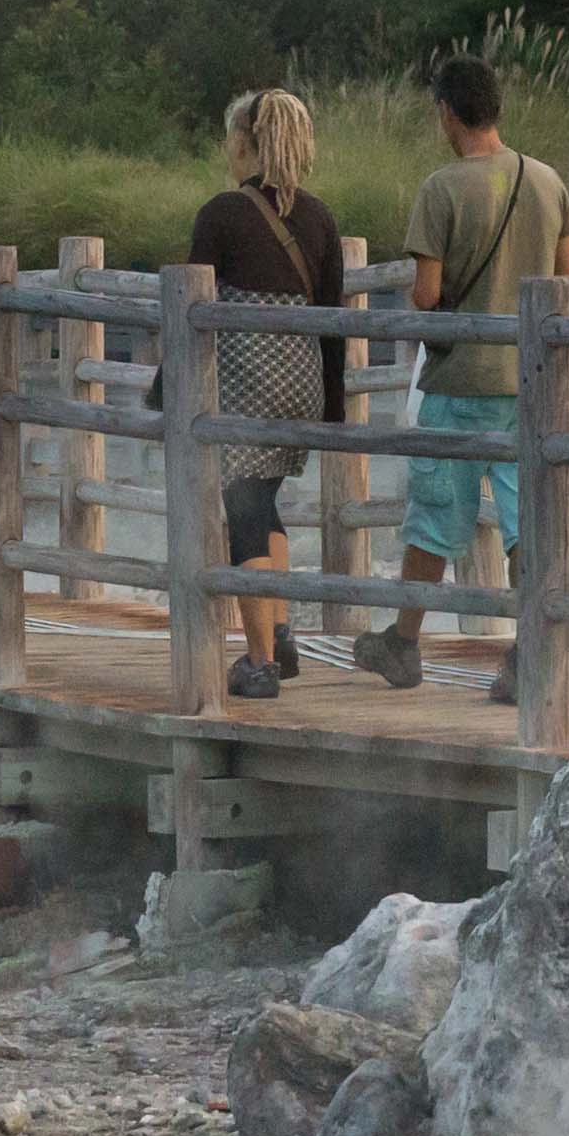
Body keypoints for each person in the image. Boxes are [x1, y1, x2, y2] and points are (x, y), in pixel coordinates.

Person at [364, 53, 569, 696]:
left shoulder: (442, 188)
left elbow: (426, 294)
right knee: (522, 521)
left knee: (434, 517)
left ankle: (402, 644)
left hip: (459, 383)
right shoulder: (545, 180)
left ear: (446, 112)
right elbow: (567, 285)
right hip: (530, 382)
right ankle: (529, 652)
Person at [186, 87, 347, 702]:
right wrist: (332, 407)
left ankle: (258, 662)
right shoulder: (320, 217)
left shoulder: (222, 213)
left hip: (245, 378)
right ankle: (279, 634)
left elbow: (191, 306)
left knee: (242, 510)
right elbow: (333, 318)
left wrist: (162, 388)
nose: (226, 148)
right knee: (265, 500)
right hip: (300, 379)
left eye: (230, 137)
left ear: (247, 143)